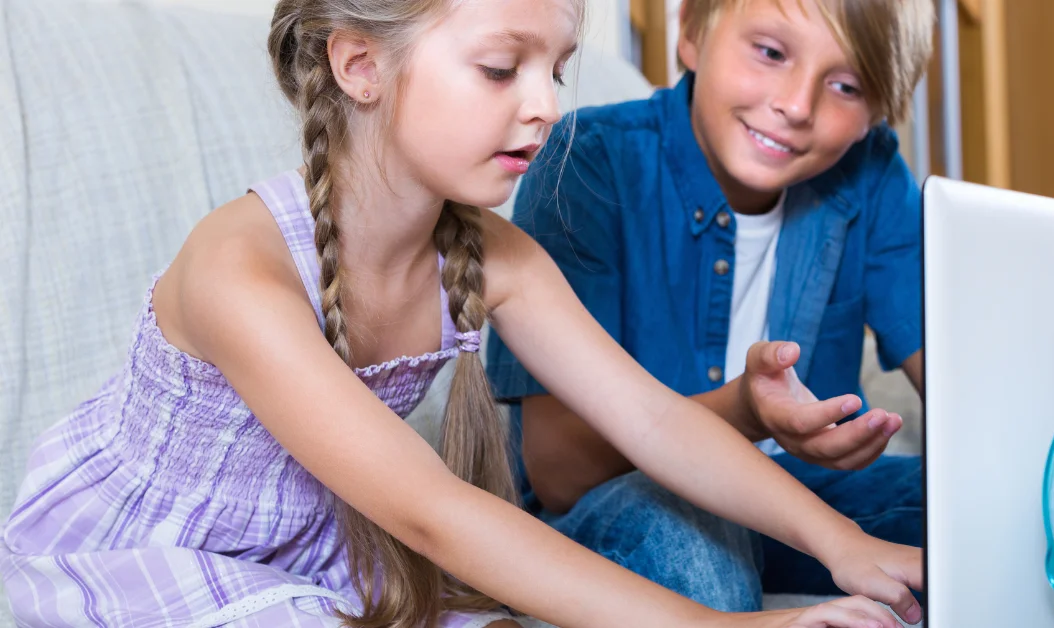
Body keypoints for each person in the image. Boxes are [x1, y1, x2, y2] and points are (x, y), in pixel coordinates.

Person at [0, 0, 921, 626]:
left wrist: (842, 546)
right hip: (153, 552)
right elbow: (436, 511)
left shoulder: (496, 255)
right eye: (499, 68)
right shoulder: (237, 266)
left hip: (319, 553)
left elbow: (652, 421)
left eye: (555, 69)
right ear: (360, 64)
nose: (546, 106)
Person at [486, 0, 934, 614]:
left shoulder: (871, 172)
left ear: (875, 114)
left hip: (804, 501)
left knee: (986, 511)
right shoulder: (587, 161)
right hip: (611, 508)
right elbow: (560, 474)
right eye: (771, 53)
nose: (797, 105)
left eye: (846, 86)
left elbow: (949, 374)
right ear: (692, 33)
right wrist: (746, 411)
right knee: (687, 531)